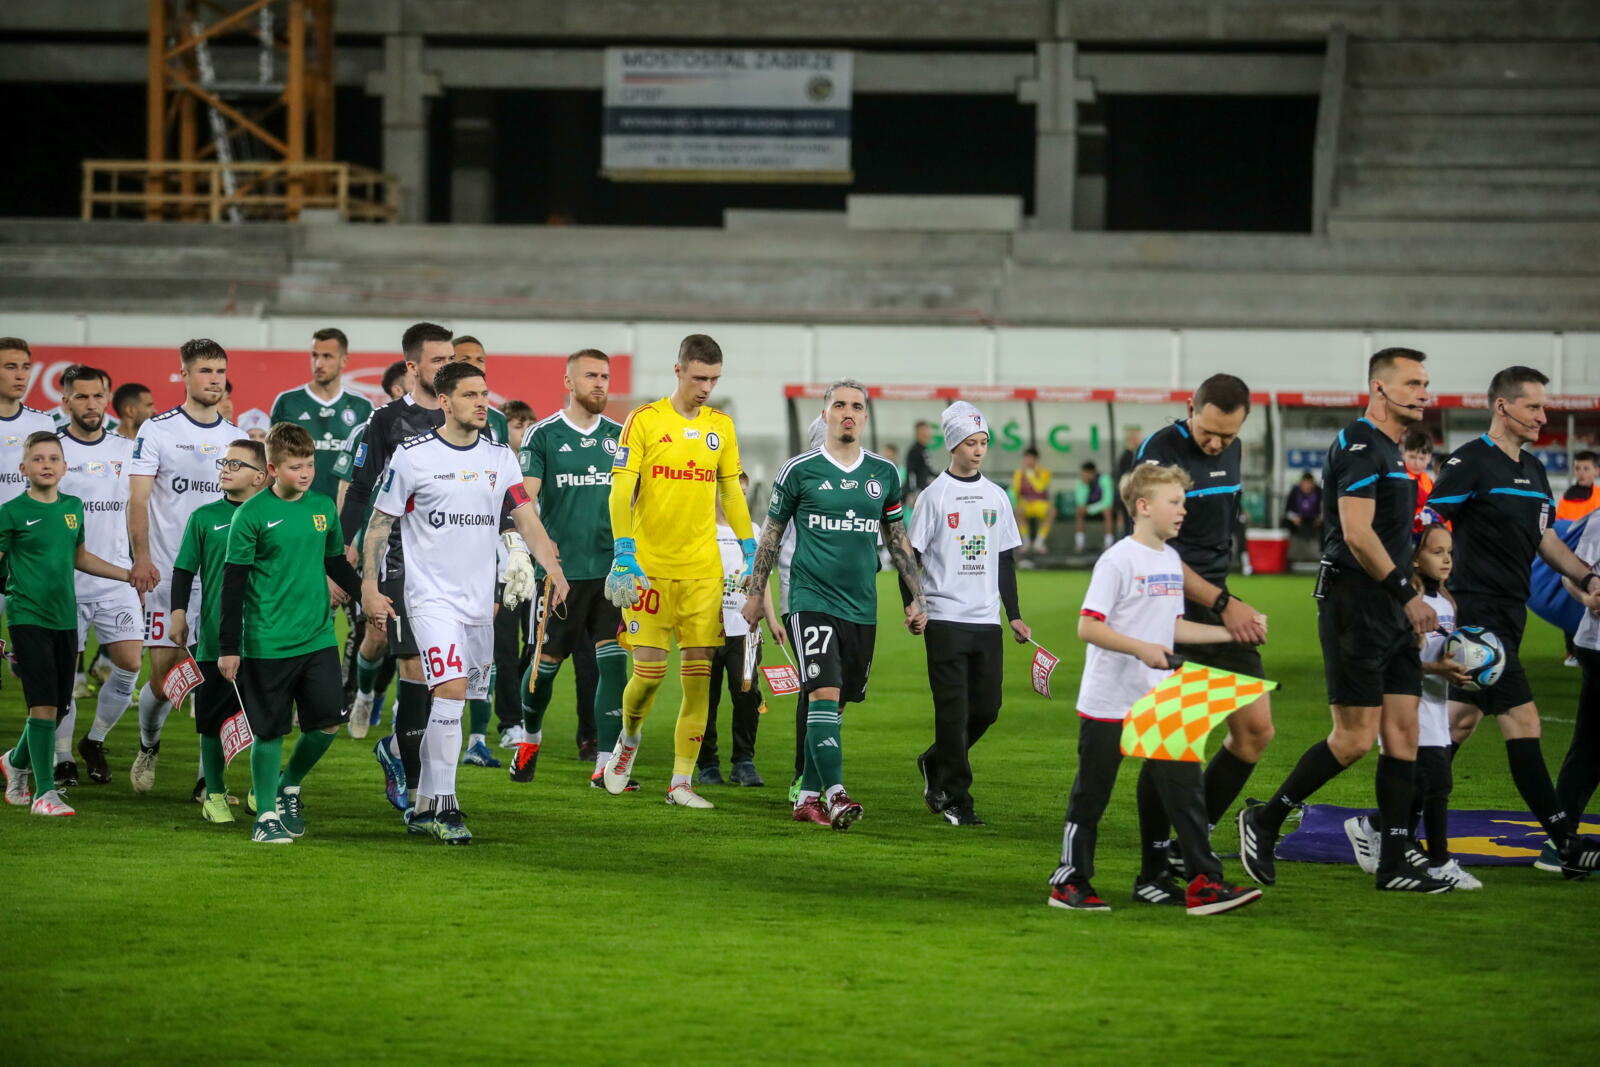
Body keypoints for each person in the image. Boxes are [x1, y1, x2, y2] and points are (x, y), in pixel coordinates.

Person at [1238, 348, 1456, 893]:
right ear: (1380, 389)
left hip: (1390, 605)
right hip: (1356, 605)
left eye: (1426, 383)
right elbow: (1357, 534)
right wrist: (1408, 593)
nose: (1423, 393)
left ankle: (1394, 864)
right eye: (1413, 383)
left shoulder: (1390, 450)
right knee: (1355, 739)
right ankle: (1265, 820)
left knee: (1404, 732)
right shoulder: (1361, 445)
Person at [1044, 462, 1261, 915]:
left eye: (1183, 502)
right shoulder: (1118, 559)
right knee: (1092, 795)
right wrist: (1142, 649)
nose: (1183, 511)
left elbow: (1173, 627)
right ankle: (1070, 881)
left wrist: (1230, 633)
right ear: (1143, 507)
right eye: (1175, 503)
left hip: (1159, 700)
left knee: (1185, 792)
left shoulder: (1167, 559)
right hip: (1109, 702)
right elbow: (1088, 627)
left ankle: (1203, 883)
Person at [365, 361, 566, 843]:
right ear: (444, 401)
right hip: (429, 598)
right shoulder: (413, 457)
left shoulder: (499, 458)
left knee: (455, 697)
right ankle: (447, 805)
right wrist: (371, 586)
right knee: (451, 689)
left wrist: (551, 568)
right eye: (472, 395)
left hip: (479, 602)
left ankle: (421, 805)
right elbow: (379, 525)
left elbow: (524, 515)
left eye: (485, 394)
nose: (483, 403)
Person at [1429, 366, 1600, 879]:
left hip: (1510, 610)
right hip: (1476, 616)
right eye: (1533, 407)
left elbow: (1544, 540)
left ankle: (1381, 824)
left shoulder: (1534, 469)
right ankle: (1563, 841)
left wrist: (1590, 578)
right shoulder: (1469, 462)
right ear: (1502, 406)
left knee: (1458, 722)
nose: (1543, 417)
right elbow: (1429, 525)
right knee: (1523, 722)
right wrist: (1430, 595)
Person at [741, 377, 928, 830]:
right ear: (824, 414)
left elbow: (897, 540)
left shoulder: (883, 474)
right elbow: (771, 534)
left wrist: (916, 597)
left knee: (835, 704)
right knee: (823, 691)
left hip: (861, 606)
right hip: (809, 598)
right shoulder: (799, 470)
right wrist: (755, 593)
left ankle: (805, 796)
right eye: (839, 405)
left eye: (857, 406)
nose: (848, 412)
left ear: (865, 416)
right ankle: (836, 794)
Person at [599, 334, 756, 809]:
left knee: (697, 677)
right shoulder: (644, 421)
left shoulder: (722, 428)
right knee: (647, 675)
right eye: (699, 377)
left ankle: (681, 782)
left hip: (703, 574)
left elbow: (731, 493)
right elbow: (620, 489)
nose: (706, 386)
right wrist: (624, 550)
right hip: (650, 570)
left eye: (714, 379)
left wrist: (750, 548)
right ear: (679, 371)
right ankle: (627, 741)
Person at [1133, 374, 1273, 864]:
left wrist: (1223, 600)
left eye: (1227, 436)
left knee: (1255, 731)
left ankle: (1186, 840)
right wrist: (1223, 604)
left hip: (1215, 599)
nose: (1215, 444)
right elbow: (1155, 548)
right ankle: (1155, 856)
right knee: (1173, 738)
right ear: (1190, 406)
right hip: (1167, 605)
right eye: (1207, 431)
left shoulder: (1229, 450)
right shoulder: (1159, 453)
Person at [217, 423, 363, 843]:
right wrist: (230, 647)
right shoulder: (251, 514)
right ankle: (265, 817)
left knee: (327, 724)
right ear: (272, 469)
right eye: (296, 467)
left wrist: (364, 596)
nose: (306, 473)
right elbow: (233, 585)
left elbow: (335, 562)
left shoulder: (322, 507)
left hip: (317, 636)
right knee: (269, 731)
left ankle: (289, 785)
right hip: (266, 640)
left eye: (310, 465)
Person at [339, 322, 453, 816]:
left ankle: (398, 752)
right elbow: (362, 489)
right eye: (438, 361)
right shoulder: (385, 422)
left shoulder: (470, 416)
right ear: (412, 366)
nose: (448, 367)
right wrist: (341, 546)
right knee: (409, 663)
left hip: (453, 564)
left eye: (452, 359)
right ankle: (415, 777)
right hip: (400, 559)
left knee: (442, 675)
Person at [510, 349, 630, 789]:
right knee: (545, 665)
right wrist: (530, 552)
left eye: (605, 376)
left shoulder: (621, 437)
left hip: (610, 573)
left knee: (611, 665)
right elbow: (525, 498)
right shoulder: (543, 435)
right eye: (591, 375)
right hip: (559, 575)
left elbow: (636, 501)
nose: (600, 383)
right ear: (569, 382)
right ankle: (530, 737)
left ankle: (604, 763)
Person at [126, 339, 241, 794]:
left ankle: (204, 777)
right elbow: (138, 499)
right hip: (169, 574)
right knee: (165, 676)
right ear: (185, 375)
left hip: (221, 577)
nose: (214, 379)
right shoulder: (156, 431)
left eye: (220, 371)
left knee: (215, 673)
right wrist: (141, 556)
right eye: (206, 370)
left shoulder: (235, 440)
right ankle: (148, 743)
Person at [908, 401, 1029, 826]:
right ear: (953, 444)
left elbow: (1003, 560)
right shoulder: (933, 497)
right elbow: (911, 556)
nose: (978, 450)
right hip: (943, 620)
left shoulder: (997, 496)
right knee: (953, 710)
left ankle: (935, 760)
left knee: (988, 709)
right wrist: (914, 602)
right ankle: (957, 797)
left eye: (983, 442)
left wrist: (1013, 614)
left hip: (985, 622)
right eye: (970, 442)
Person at [0, 431, 134, 817]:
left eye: (53, 459)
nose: (46, 465)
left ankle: (13, 761)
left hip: (64, 617)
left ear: (64, 467)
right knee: (42, 706)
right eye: (38, 459)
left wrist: (126, 575)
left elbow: (80, 557)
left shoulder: (73, 507)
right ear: (23, 468)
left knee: (58, 708)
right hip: (27, 618)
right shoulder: (10, 513)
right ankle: (44, 793)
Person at [1345, 522, 1483, 889]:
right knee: (1437, 783)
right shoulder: (1408, 602)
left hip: (1436, 705)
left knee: (1420, 788)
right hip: (1408, 706)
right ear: (1415, 559)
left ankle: (1371, 825)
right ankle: (1439, 862)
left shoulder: (1446, 601)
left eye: (1449, 552)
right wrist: (1437, 667)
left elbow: (1447, 651)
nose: (1447, 559)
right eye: (1436, 552)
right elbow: (1397, 660)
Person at [169, 438, 268, 822]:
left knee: (265, 718)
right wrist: (178, 613)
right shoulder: (204, 517)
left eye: (236, 464)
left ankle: (262, 790)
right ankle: (214, 794)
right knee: (211, 719)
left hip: (266, 635)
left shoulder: (274, 515)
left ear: (260, 476)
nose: (225, 469)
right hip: (214, 635)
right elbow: (183, 569)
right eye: (223, 463)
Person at [54, 367, 143, 791]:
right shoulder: (52, 450)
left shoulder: (128, 449)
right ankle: (63, 757)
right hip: (62, 583)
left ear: (107, 398)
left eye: (97, 396)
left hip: (116, 579)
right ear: (66, 401)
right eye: (82, 397)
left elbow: (139, 509)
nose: (91, 405)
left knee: (129, 664)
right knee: (62, 679)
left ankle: (94, 741)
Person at [699, 471, 783, 788]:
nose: (740, 497)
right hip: (705, 631)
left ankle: (744, 762)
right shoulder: (700, 530)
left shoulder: (753, 531)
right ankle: (707, 764)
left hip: (746, 632)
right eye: (734, 490)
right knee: (704, 697)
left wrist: (772, 619)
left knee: (747, 693)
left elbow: (761, 582)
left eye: (743, 491)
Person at [333, 418, 396, 741]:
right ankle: (365, 695)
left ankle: (406, 710)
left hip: (430, 551)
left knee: (424, 638)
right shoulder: (372, 429)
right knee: (377, 635)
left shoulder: (449, 429)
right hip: (382, 547)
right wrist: (347, 543)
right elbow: (352, 489)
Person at [268, 328, 374, 503]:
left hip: (342, 509)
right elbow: (272, 460)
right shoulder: (288, 402)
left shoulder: (362, 407)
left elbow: (366, 467)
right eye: (314, 355)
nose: (318, 363)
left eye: (327, 356)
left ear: (344, 360)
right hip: (295, 507)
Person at [0, 339, 60, 631]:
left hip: (29, 548)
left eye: (25, 367)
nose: (21, 375)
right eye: (11, 367)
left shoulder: (43, 424)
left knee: (33, 643)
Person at [1554, 507, 1600, 871]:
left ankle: (1561, 840)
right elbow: (1571, 571)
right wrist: (1587, 596)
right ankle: (1561, 840)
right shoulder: (1599, 521)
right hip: (1597, 644)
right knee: (1588, 747)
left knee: (1588, 748)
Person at [450, 336, 512, 445]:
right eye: (465, 359)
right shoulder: (437, 411)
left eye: (480, 360)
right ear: (449, 364)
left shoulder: (498, 419)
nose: (475, 365)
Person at [1012, 447, 1053, 553]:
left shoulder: (1045, 472)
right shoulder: (1019, 473)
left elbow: (1040, 488)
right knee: (1018, 511)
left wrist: (1030, 474)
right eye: (1026, 458)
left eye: (1031, 458)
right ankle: (1026, 542)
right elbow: (1015, 490)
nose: (1028, 461)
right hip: (1026, 503)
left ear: (1036, 459)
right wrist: (1017, 503)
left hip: (1040, 503)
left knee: (1051, 512)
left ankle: (1039, 542)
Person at [1071, 461, 1115, 552]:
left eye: (1087, 474)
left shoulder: (1105, 479)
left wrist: (1090, 509)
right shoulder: (1081, 483)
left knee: (1107, 511)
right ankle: (1080, 545)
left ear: (1093, 473)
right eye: (1083, 474)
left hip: (1101, 509)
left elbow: (1107, 501)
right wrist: (1085, 486)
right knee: (1079, 511)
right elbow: (1080, 502)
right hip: (1088, 510)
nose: (1084, 476)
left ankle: (1108, 544)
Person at [1283, 471, 1323, 555]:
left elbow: (1325, 510)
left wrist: (1320, 519)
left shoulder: (1319, 492)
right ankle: (1292, 553)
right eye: (1305, 483)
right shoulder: (1294, 492)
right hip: (1298, 519)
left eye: (1309, 483)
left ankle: (1320, 552)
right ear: (1301, 483)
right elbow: (1287, 510)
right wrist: (1294, 518)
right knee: (1285, 522)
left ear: (1313, 484)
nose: (1307, 486)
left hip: (1314, 519)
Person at [1113, 425, 1142, 537]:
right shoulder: (1127, 457)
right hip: (1128, 495)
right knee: (1128, 522)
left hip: (1129, 495)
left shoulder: (1131, 456)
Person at [1557, 449, 1599, 522]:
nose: (1581, 473)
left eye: (1586, 469)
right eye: (1577, 468)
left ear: (1597, 471)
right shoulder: (1566, 497)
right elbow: (1559, 524)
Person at [1403, 428, 1435, 520]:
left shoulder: (1429, 481)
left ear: (1429, 458)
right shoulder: (1398, 477)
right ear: (1403, 454)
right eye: (1412, 457)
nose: (1417, 463)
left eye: (1422, 458)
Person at [903, 420, 936, 508]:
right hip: (917, 492)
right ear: (918, 433)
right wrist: (912, 492)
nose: (928, 434)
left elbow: (928, 470)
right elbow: (910, 472)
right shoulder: (914, 450)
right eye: (924, 431)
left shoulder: (924, 450)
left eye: (928, 431)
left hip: (924, 489)